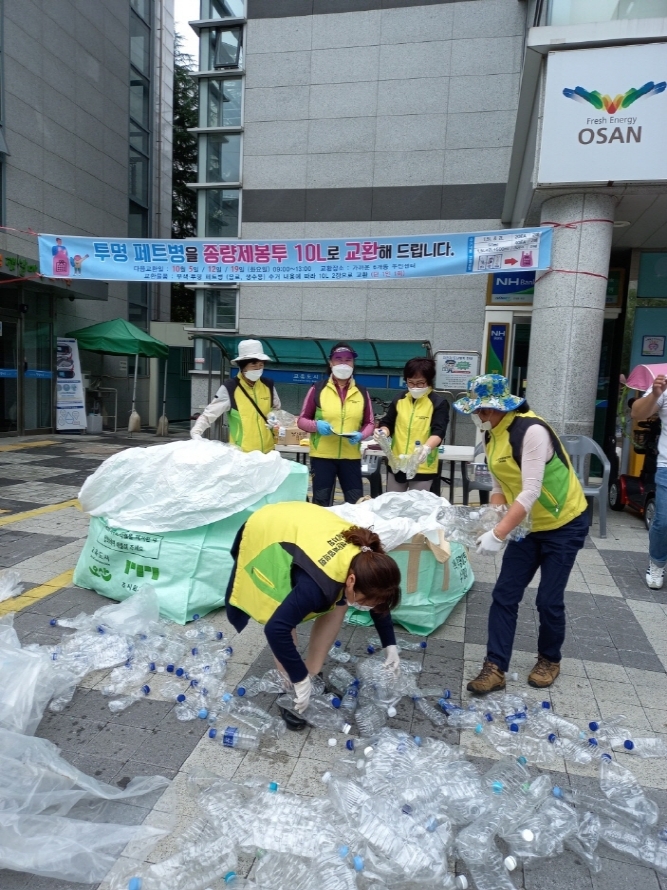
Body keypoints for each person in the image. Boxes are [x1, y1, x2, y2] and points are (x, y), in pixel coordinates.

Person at [454, 374, 589, 694]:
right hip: (527, 527)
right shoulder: (492, 435)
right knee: (504, 594)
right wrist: (493, 520)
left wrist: (499, 533)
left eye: (485, 410)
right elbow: (501, 486)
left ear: (501, 407)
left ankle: (549, 659)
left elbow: (529, 492)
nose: (480, 417)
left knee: (548, 599)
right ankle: (495, 667)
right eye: (477, 412)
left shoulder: (531, 431)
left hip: (564, 524)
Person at [225, 501, 402, 729]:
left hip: (302, 525)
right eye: (364, 601)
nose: (367, 607)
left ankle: (312, 674)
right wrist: (298, 678)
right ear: (351, 581)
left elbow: (378, 596)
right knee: (280, 613)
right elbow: (275, 629)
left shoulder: (369, 560)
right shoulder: (316, 586)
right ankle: (291, 689)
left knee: (340, 601)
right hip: (268, 530)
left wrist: (390, 645)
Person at [297, 343, 375, 506]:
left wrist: (361, 435)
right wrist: (316, 426)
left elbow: (370, 423)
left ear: (353, 364)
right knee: (321, 502)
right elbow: (302, 420)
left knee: (356, 503)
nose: (343, 364)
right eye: (338, 360)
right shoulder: (318, 389)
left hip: (351, 456)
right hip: (322, 457)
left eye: (348, 360)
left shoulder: (361, 391)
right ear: (330, 363)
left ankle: (353, 532)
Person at [190, 339, 280, 453]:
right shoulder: (230, 388)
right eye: (253, 364)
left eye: (261, 365)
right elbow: (209, 414)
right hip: (242, 454)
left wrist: (274, 417)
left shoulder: (268, 385)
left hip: (268, 453)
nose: (258, 368)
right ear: (243, 366)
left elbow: (277, 409)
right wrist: (196, 432)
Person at [375, 356, 449, 492]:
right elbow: (387, 422)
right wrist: (383, 432)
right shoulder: (400, 399)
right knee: (394, 507)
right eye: (411, 383)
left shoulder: (438, 403)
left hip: (422, 464)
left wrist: (426, 448)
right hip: (397, 463)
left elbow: (439, 432)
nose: (415, 387)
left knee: (419, 509)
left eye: (420, 383)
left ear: (429, 381)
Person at [631, 372, 667, 589]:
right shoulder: (663, 386)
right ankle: (657, 562)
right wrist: (654, 395)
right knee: (663, 521)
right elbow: (637, 413)